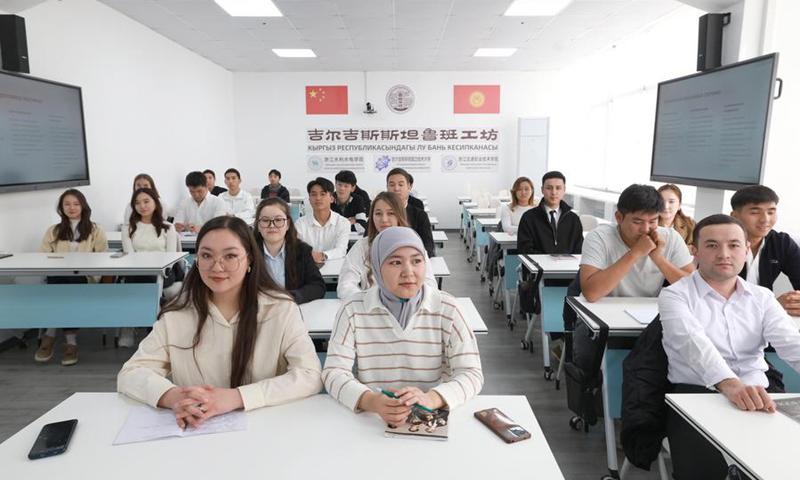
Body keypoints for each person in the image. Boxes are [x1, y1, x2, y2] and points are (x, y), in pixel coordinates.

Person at [117, 216, 322, 428]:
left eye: (230, 256)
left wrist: (237, 397)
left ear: (250, 259)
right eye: (206, 255)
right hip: (195, 430)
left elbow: (310, 375)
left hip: (264, 429)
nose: (217, 267)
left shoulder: (281, 309)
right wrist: (173, 396)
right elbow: (131, 373)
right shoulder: (177, 315)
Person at [659, 214, 800, 480]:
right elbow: (693, 344)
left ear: (746, 250)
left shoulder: (762, 297)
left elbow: (791, 343)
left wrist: (744, 388)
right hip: (697, 396)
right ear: (695, 250)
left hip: (760, 395)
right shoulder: (675, 295)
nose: (724, 254)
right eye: (712, 245)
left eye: (734, 245)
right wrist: (731, 384)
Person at [323, 227, 483, 426]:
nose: (409, 272)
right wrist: (372, 401)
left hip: (431, 421)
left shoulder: (448, 309)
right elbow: (333, 373)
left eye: (417, 261)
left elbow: (471, 374)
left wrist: (431, 399)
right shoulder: (352, 309)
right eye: (396, 262)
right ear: (377, 267)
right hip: (373, 424)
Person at [580, 184, 694, 301]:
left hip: (646, 312)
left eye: (653, 221)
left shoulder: (671, 238)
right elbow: (591, 294)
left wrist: (659, 259)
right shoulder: (599, 237)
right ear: (619, 218)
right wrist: (635, 253)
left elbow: (693, 288)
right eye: (637, 221)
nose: (645, 229)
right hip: (600, 309)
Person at [35, 189, 109, 366]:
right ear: (61, 208)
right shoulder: (54, 230)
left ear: (83, 206)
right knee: (61, 284)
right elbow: (42, 256)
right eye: (67, 204)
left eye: (76, 204)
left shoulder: (96, 230)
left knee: (65, 286)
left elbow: (103, 257)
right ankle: (71, 343)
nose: (72, 208)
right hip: (59, 277)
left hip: (85, 278)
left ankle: (50, 334)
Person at [337, 192, 437, 300]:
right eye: (378, 214)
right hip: (372, 310)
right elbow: (345, 286)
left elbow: (430, 285)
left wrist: (408, 301)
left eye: (391, 213)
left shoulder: (414, 245)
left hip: (409, 307)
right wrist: (367, 301)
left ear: (400, 215)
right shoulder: (362, 247)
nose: (384, 220)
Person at [119, 187, 180, 347]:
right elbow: (129, 255)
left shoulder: (168, 227)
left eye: (146, 201)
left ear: (155, 203)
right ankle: (132, 326)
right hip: (137, 272)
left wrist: (157, 267)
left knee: (150, 282)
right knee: (137, 282)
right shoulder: (128, 228)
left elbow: (171, 257)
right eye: (137, 203)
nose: (142, 206)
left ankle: (156, 329)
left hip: (164, 272)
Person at [730, 185, 800, 316]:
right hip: (725, 317)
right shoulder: (721, 243)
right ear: (735, 216)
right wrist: (774, 304)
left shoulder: (781, 243)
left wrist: (795, 301)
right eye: (755, 212)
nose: (765, 219)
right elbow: (715, 296)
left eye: (771, 212)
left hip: (765, 319)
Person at [253, 198, 325, 305]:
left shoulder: (302, 251)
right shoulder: (247, 252)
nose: (272, 225)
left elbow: (318, 287)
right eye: (265, 220)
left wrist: (290, 297)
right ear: (258, 225)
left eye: (278, 220)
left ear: (287, 224)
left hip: (292, 309)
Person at [517, 171, 583, 255]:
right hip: (538, 267)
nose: (554, 192)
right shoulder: (528, 217)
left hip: (567, 267)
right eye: (549, 188)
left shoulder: (573, 219)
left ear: (564, 190)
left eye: (558, 188)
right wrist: (550, 259)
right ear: (542, 190)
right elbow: (524, 250)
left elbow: (579, 250)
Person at [294, 177, 350, 264]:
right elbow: (299, 249)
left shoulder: (343, 223)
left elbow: (341, 250)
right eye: (313, 194)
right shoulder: (300, 224)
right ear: (309, 199)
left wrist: (322, 256)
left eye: (323, 194)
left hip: (334, 270)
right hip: (307, 270)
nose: (318, 198)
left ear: (331, 199)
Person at [386, 168, 435, 258]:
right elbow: (368, 243)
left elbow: (428, 246)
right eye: (392, 185)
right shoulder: (378, 214)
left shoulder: (420, 216)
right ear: (387, 187)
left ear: (409, 186)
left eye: (401, 184)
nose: (396, 189)